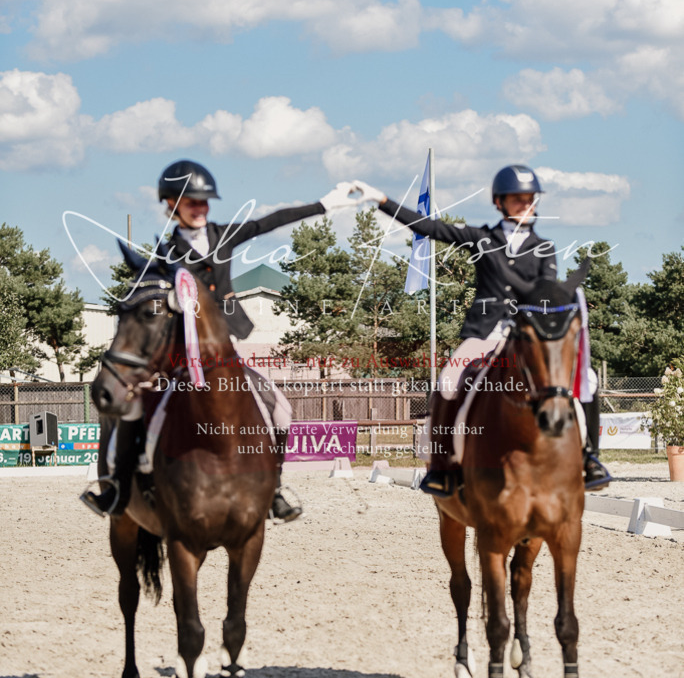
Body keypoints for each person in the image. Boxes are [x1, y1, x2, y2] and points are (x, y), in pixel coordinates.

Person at [82, 160, 354, 521]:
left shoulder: (222, 235)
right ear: (171, 205)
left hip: (224, 350)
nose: (200, 208)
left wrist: (325, 204)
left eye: (205, 202)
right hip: (180, 359)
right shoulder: (167, 254)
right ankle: (116, 487)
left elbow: (270, 221)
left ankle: (274, 490)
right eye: (192, 202)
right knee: (133, 408)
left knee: (280, 409)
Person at [352, 164, 611, 492]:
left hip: (526, 333)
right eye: (518, 199)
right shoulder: (482, 238)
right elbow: (430, 228)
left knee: (587, 378)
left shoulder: (545, 248)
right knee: (448, 380)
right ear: (499, 202)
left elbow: (543, 294)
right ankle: (442, 465)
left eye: (530, 199)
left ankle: (589, 457)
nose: (526, 205)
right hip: (485, 332)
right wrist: (382, 201)